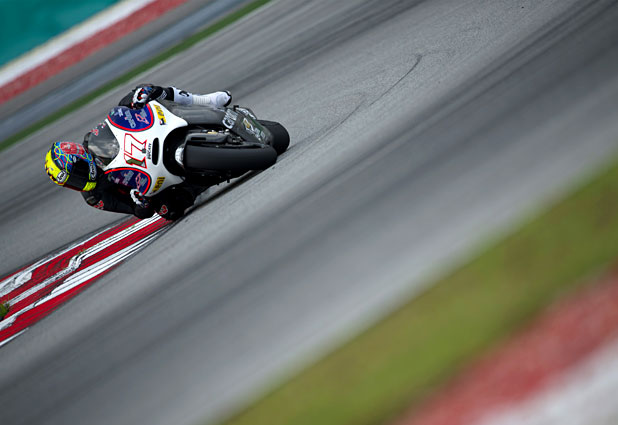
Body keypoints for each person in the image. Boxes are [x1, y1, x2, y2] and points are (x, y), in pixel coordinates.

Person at [44, 84, 232, 220]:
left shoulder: (93, 139)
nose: (79, 181)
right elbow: (137, 211)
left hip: (145, 147)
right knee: (169, 211)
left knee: (145, 92)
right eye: (72, 183)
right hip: (150, 184)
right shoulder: (95, 197)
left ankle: (205, 100)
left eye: (76, 173)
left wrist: (135, 101)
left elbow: (118, 119)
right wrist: (141, 203)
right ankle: (216, 174)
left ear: (79, 154)